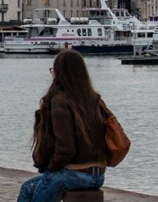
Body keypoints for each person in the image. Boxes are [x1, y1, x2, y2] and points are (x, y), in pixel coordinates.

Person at [18, 50, 108, 202]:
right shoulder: (94, 99)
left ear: (60, 73)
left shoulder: (60, 101)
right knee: (28, 189)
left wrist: (51, 167)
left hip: (74, 175)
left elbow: (66, 148)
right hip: (98, 174)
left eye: (53, 70)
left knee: (31, 190)